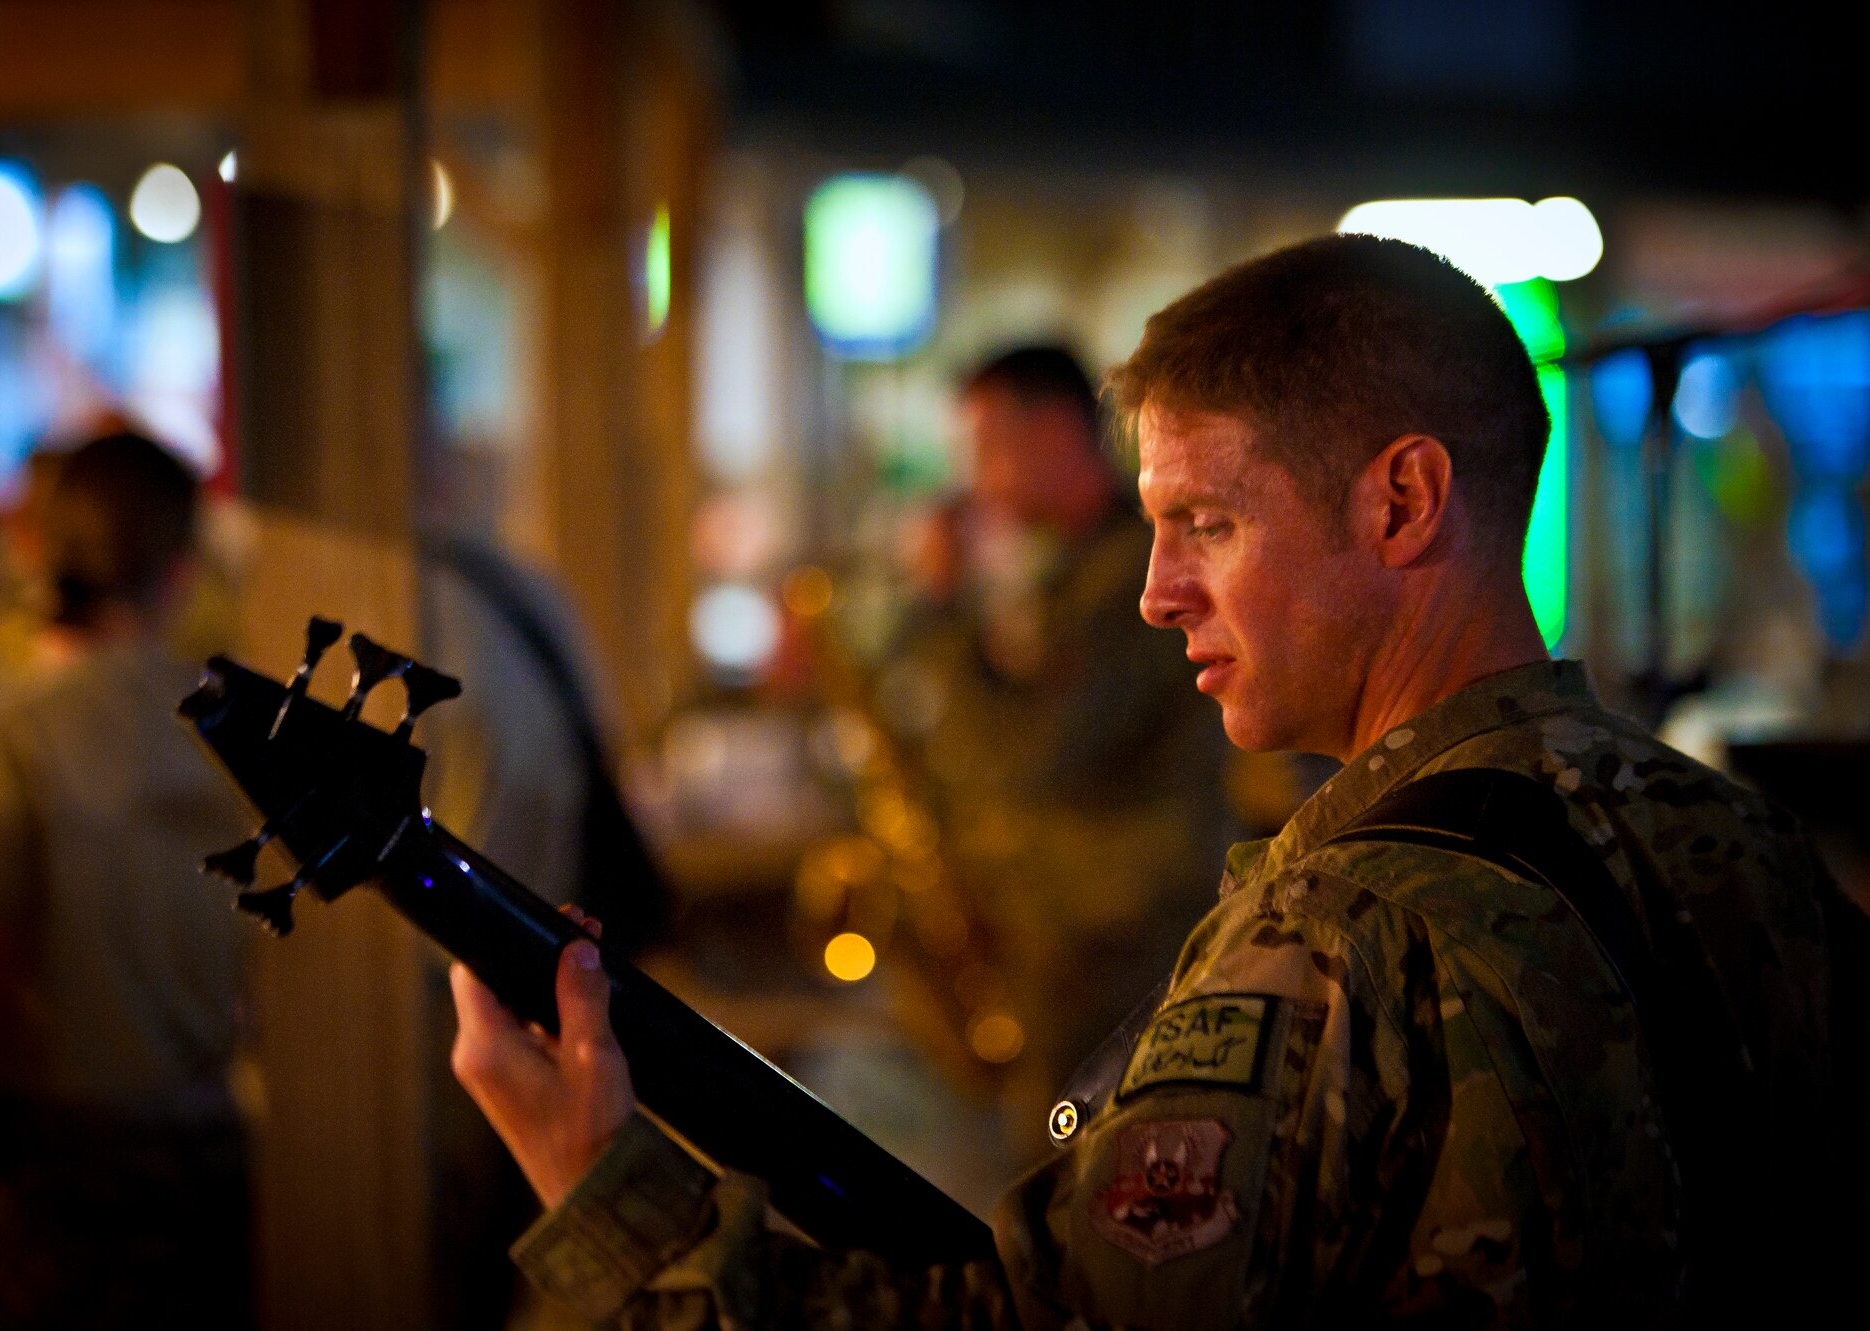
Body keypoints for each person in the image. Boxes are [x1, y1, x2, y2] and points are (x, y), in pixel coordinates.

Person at [446, 236, 1868, 1327]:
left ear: (1403, 501)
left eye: (1208, 520)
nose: (1156, 592)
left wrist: (609, 1192)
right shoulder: (1744, 843)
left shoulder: (1331, 943)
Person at [0, 432, 254, 1331]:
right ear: (183, 567)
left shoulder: (1, 743)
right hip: (210, 1161)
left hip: (54, 1184)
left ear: (35, 551)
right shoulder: (237, 736)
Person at [877, 345, 1236, 1141]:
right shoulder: (1072, 571)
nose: (973, 481)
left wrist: (943, 605)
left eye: (984, 447)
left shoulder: (1131, 583)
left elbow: (1026, 759)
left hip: (1113, 950)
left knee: (1076, 1192)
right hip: (1072, 940)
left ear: (1051, 432)